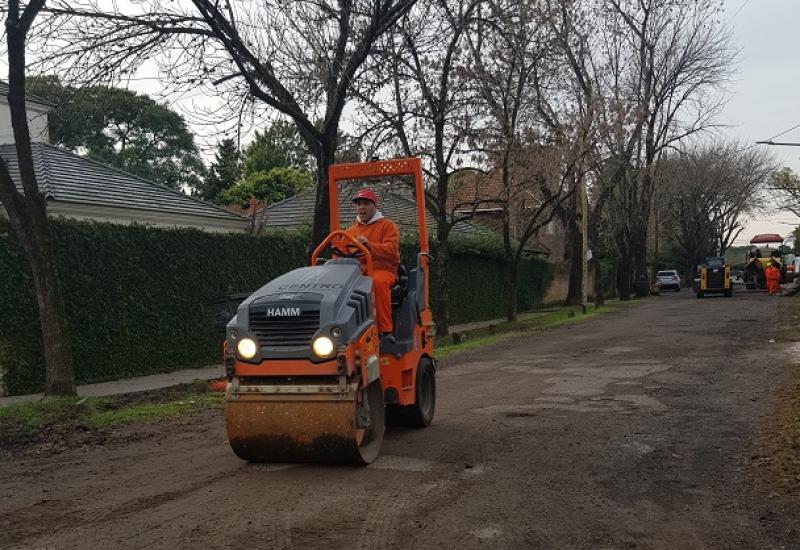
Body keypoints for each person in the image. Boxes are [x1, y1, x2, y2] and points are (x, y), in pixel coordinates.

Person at [342, 188, 400, 336]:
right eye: (359, 204)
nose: (362, 207)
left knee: (377, 282)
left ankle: (385, 330)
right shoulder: (349, 232)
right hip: (357, 273)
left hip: (382, 270)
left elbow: (391, 250)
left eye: (366, 203)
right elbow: (340, 253)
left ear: (375, 206)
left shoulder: (387, 226)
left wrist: (369, 246)